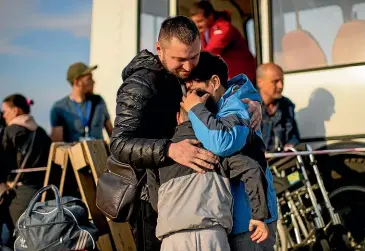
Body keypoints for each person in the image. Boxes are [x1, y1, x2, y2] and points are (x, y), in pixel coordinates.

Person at [110, 16, 263, 251]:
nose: (189, 67)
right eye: (180, 59)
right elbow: (119, 144)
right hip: (151, 200)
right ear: (159, 49)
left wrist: (250, 103)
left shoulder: (194, 67)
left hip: (200, 199)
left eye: (194, 56)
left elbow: (224, 84)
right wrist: (170, 149)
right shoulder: (138, 86)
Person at [157, 52, 273, 251]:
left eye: (196, 90)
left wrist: (195, 109)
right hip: (235, 218)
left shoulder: (237, 107)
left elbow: (222, 143)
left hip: (249, 218)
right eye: (189, 92)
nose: (192, 97)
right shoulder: (222, 107)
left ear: (215, 82)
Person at [0, 94, 51, 226]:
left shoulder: (10, 131)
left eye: (5, 111)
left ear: (15, 110)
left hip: (18, 195)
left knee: (18, 238)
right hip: (44, 192)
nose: (3, 115)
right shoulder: (41, 132)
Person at [189, 1, 256, 81]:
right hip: (228, 76)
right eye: (194, 22)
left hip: (241, 76)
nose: (197, 25)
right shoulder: (205, 31)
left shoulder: (224, 28)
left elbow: (210, 51)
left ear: (210, 16)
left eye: (200, 21)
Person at [50, 62, 113, 143]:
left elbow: (112, 133)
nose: (94, 82)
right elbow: (58, 144)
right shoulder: (59, 108)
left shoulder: (99, 101)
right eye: (89, 79)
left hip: (99, 154)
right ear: (77, 82)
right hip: (75, 155)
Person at [256, 63, 300, 152]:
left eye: (282, 81)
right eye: (275, 81)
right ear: (260, 82)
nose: (280, 86)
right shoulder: (246, 106)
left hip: (280, 162)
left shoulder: (287, 105)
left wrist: (290, 145)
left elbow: (294, 136)